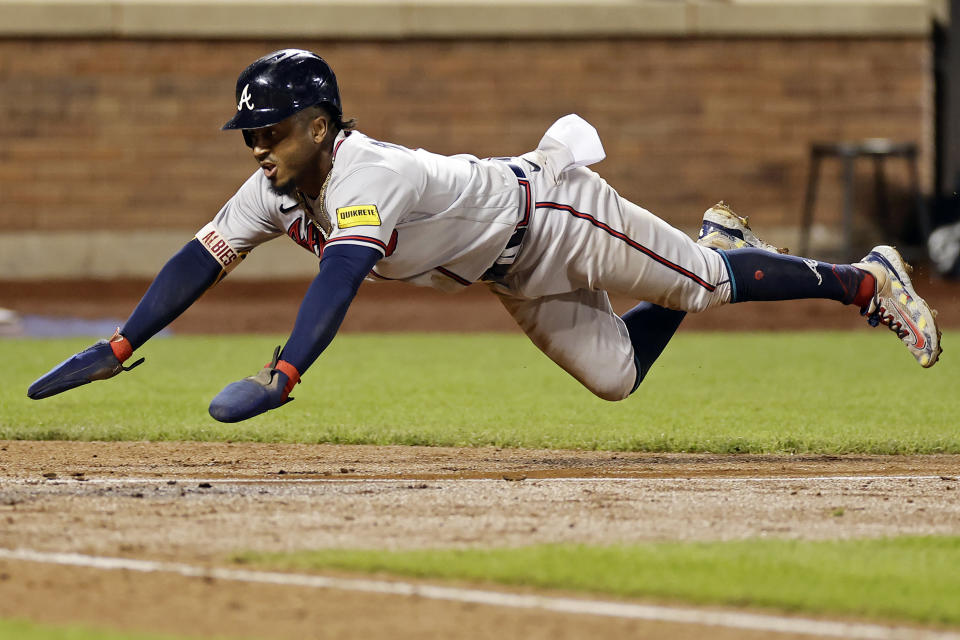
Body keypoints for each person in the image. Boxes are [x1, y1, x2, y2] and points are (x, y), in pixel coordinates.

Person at [28, 49, 942, 422]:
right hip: (503, 273)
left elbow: (338, 280)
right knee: (617, 378)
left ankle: (865, 281)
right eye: (252, 136)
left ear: (318, 124)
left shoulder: (363, 175)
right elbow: (201, 260)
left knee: (703, 281)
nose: (256, 148)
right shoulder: (276, 187)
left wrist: (285, 374)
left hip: (556, 215)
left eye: (268, 132)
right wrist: (119, 342)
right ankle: (713, 238)